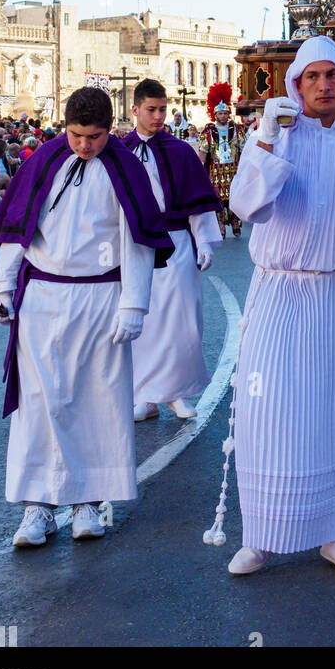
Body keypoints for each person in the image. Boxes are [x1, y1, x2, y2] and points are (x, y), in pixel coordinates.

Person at [217, 37, 335, 578]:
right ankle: (262, 532)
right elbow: (249, 205)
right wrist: (269, 142)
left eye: (333, 76)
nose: (324, 85)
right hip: (278, 293)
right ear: (296, 86)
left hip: (334, 295)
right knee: (269, 412)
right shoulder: (273, 134)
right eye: (312, 77)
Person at [0, 86, 173, 548]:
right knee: (41, 401)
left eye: (94, 137)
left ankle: (88, 501)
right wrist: (3, 288)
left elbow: (138, 241)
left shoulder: (126, 168)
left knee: (96, 400)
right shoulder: (43, 160)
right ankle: (37, 508)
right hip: (44, 296)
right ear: (64, 125)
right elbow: (17, 232)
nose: (84, 146)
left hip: (101, 298)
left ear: (111, 130)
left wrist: (134, 304)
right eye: (75, 135)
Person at [124, 78, 222, 422]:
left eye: (163, 109)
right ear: (134, 110)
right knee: (144, 321)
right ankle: (147, 396)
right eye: (151, 110)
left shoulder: (181, 152)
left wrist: (206, 241)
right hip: (137, 245)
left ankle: (178, 394)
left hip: (178, 242)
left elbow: (198, 201)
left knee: (182, 320)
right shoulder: (120, 153)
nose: (158, 116)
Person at [200, 83, 243, 237]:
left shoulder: (237, 131)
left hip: (234, 169)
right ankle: (220, 226)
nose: (223, 116)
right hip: (215, 171)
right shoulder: (208, 132)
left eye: (225, 113)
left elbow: (244, 151)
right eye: (220, 114)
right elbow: (203, 154)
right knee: (217, 201)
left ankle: (235, 221)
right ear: (215, 115)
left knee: (234, 197)